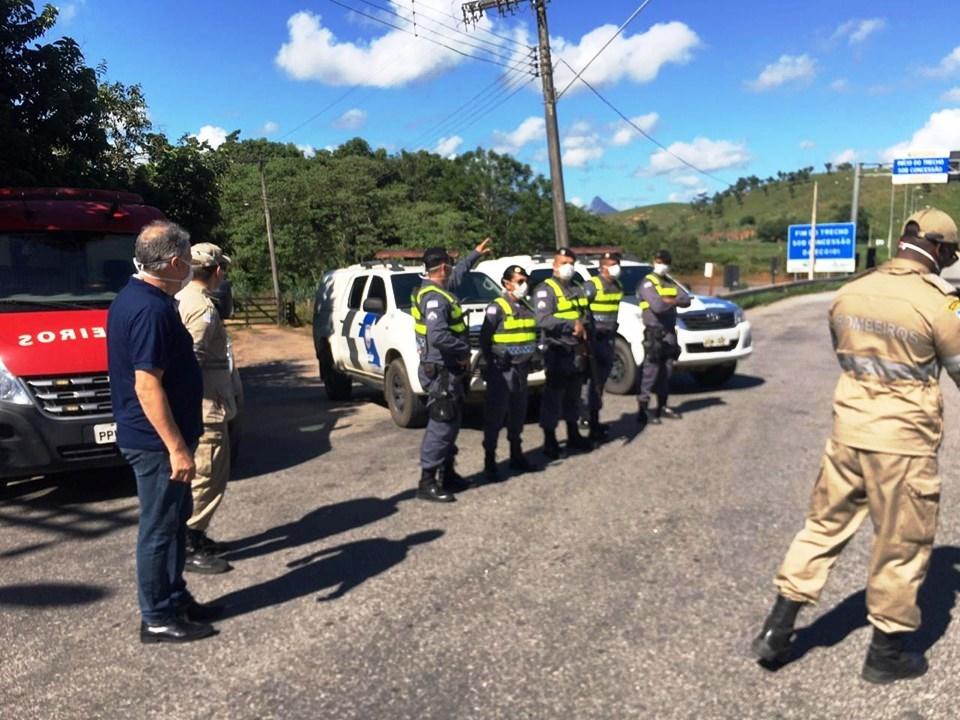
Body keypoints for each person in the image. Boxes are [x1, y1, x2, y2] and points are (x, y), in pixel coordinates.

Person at [751, 208, 960, 684]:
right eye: (951, 253)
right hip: (902, 445)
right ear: (941, 250)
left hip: (848, 434)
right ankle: (886, 654)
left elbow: (846, 354)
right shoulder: (943, 304)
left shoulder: (849, 292)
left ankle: (777, 630)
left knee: (822, 528)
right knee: (900, 545)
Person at [108, 220, 222, 644]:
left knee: (174, 524)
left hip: (166, 438)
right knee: (158, 530)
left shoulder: (145, 298)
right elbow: (146, 383)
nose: (191, 266)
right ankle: (156, 616)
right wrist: (176, 447)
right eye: (188, 258)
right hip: (157, 444)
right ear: (174, 262)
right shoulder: (149, 309)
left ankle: (176, 598)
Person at [412, 238, 491, 502]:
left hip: (448, 370)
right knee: (441, 424)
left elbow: (457, 275)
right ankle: (427, 481)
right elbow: (438, 336)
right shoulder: (434, 298)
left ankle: (448, 474)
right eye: (449, 264)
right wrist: (463, 351)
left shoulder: (439, 288)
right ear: (442, 268)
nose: (452, 269)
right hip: (442, 370)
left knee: (452, 421)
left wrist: (474, 255)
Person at [176, 243, 236, 574]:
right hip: (205, 408)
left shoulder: (183, 298)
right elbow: (191, 364)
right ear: (215, 272)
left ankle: (196, 536)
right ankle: (189, 542)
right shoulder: (202, 308)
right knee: (208, 477)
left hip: (204, 405)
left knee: (205, 475)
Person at [479, 264, 539, 482]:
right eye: (519, 281)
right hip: (501, 371)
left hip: (521, 368)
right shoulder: (497, 307)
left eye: (525, 281)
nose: (524, 285)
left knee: (518, 413)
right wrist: (492, 360)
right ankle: (490, 463)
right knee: (495, 416)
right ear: (507, 283)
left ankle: (516, 455)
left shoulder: (527, 306)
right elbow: (485, 340)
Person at [534, 247, 591, 459]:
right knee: (553, 396)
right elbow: (542, 320)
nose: (567, 267)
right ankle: (550, 440)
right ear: (554, 266)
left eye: (570, 263)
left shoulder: (576, 288)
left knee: (574, 395)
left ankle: (573, 433)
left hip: (577, 350)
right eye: (563, 262)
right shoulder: (545, 290)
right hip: (557, 350)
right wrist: (569, 324)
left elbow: (583, 316)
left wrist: (586, 337)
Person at [636, 249, 690, 429]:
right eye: (659, 261)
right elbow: (657, 306)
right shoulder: (647, 283)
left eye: (665, 262)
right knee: (650, 372)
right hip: (654, 332)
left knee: (666, 372)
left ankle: (662, 406)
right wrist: (671, 300)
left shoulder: (669, 281)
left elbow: (686, 299)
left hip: (669, 332)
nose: (662, 264)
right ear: (654, 261)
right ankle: (643, 410)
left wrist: (670, 300)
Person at [583, 251, 624, 443]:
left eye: (617, 263)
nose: (616, 267)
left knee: (600, 382)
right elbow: (580, 310)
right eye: (611, 263)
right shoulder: (592, 286)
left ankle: (594, 420)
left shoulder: (617, 286)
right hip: (593, 340)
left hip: (608, 339)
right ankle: (588, 420)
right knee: (591, 382)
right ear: (602, 267)